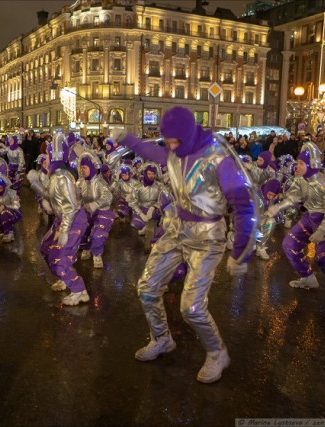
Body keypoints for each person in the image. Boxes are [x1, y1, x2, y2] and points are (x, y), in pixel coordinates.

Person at [110, 106, 257, 383]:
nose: (170, 145)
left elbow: (244, 205)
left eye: (175, 140)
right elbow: (152, 152)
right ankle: (162, 338)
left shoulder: (218, 159)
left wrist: (240, 252)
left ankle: (217, 353)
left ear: (188, 135)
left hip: (208, 236)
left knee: (191, 307)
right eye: (168, 140)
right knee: (146, 288)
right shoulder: (172, 151)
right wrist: (126, 138)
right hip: (177, 229)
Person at [263, 142, 325, 301]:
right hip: (310, 218)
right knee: (289, 245)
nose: (297, 166)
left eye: (301, 163)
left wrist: (322, 230)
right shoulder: (300, 181)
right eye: (298, 162)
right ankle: (308, 277)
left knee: (323, 257)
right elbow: (294, 197)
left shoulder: (324, 185)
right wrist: (278, 208)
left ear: (311, 164)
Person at [40, 132, 90, 306]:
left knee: (61, 257)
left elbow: (71, 206)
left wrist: (64, 231)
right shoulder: (55, 174)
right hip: (64, 218)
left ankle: (79, 291)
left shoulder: (61, 175)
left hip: (73, 219)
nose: (45, 159)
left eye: (47, 154)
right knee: (46, 248)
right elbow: (55, 199)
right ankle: (64, 277)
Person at [77, 151, 115, 269]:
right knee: (80, 230)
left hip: (102, 212)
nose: (82, 170)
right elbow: (76, 198)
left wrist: (96, 204)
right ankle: (86, 248)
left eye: (85, 167)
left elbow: (108, 197)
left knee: (97, 235)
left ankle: (97, 254)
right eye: (81, 167)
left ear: (92, 168)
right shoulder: (80, 183)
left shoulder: (99, 182)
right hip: (87, 212)